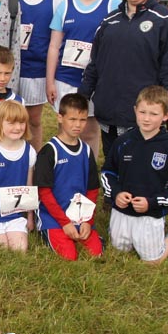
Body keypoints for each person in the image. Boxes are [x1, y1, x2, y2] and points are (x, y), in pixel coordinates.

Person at [80, 0, 168, 154]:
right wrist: (82, 97)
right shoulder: (109, 21)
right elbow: (94, 64)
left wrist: (160, 110)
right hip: (109, 113)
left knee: (140, 175)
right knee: (114, 166)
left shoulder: (166, 20)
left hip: (143, 119)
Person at [101, 86, 168, 264]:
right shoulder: (123, 141)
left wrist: (153, 202)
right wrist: (116, 193)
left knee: (152, 261)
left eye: (154, 114)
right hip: (122, 210)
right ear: (135, 111)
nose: (147, 118)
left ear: (166, 116)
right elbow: (107, 172)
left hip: (150, 212)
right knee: (119, 251)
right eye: (142, 112)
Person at [46, 0, 120, 157]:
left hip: (97, 82)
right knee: (66, 127)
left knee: (89, 129)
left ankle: (87, 173)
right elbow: (54, 46)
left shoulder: (114, 5)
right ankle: (65, 168)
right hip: (66, 79)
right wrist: (50, 81)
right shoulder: (66, 5)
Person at [34, 94, 102, 261]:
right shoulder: (49, 151)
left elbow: (92, 190)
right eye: (72, 119)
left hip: (80, 216)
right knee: (69, 256)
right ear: (60, 117)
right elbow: (44, 193)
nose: (77, 125)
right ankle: (46, 232)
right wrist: (64, 223)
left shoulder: (86, 151)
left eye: (82, 120)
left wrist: (87, 221)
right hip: (54, 218)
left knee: (96, 253)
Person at [13, 0, 64, 150]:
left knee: (33, 120)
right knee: (10, 118)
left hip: (37, 71)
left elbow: (56, 40)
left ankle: (33, 161)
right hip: (13, 70)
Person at [0, 100, 36, 252]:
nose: (18, 127)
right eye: (11, 123)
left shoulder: (29, 151)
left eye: (22, 123)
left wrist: (29, 217)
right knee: (2, 248)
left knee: (19, 249)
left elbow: (28, 187)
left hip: (15, 214)